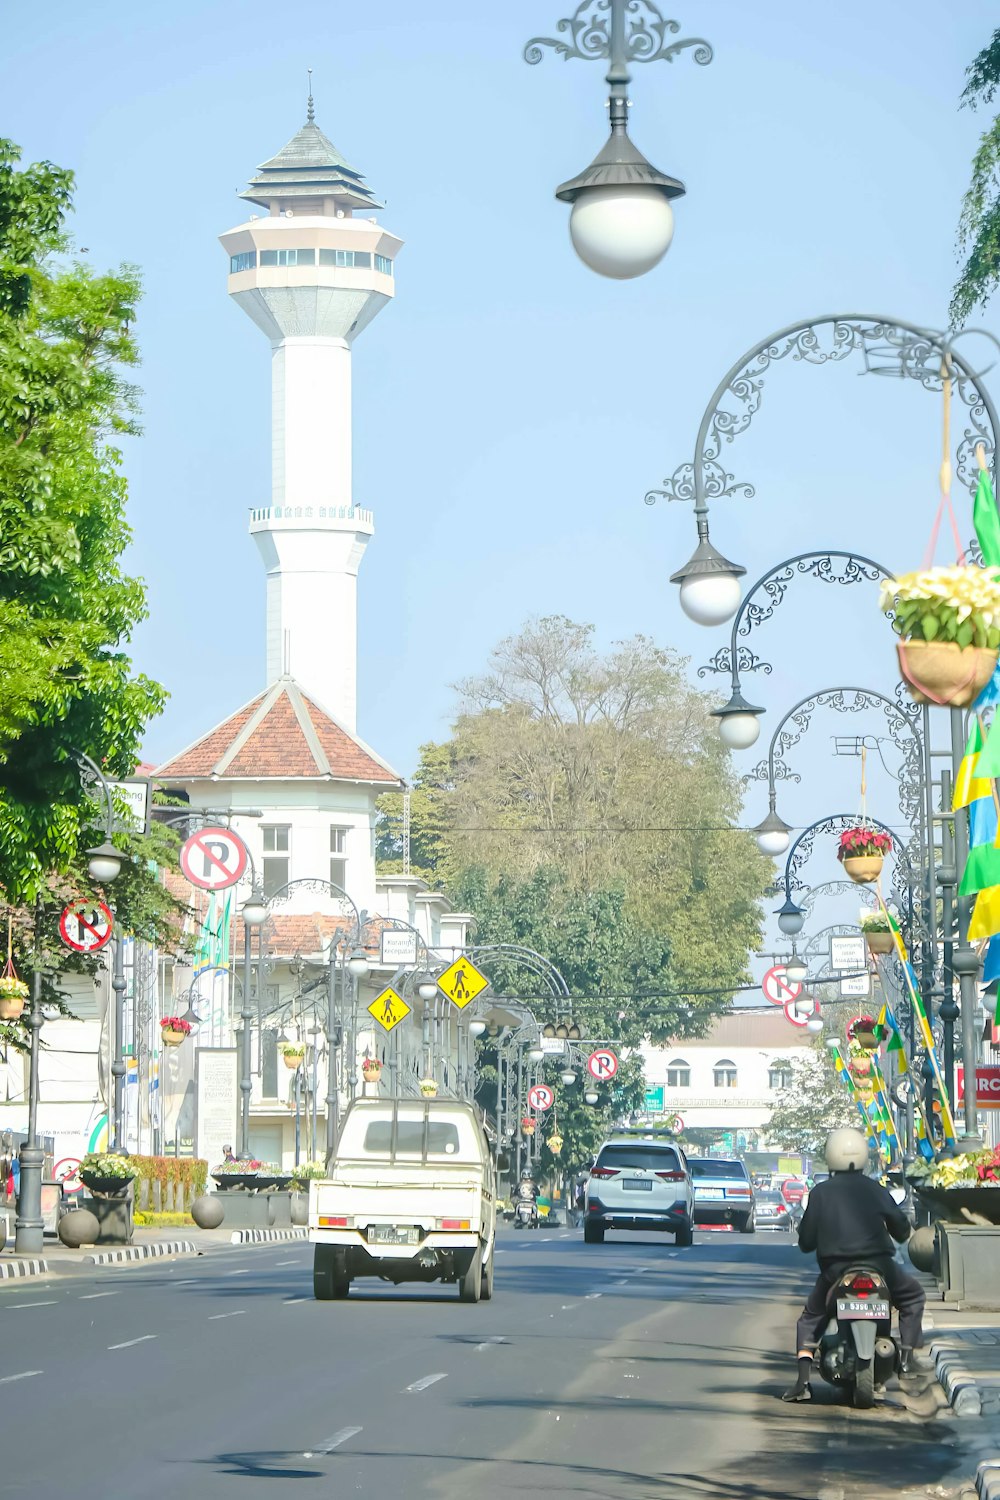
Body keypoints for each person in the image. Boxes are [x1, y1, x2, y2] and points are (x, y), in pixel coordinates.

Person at [782, 1127, 927, 1402]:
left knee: (811, 1319)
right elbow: (901, 1230)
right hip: (880, 1267)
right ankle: (907, 1360)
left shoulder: (820, 1193)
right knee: (912, 1297)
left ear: (831, 1156)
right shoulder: (875, 1189)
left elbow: (806, 1242)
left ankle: (802, 1382)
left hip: (835, 1271)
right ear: (862, 1155)